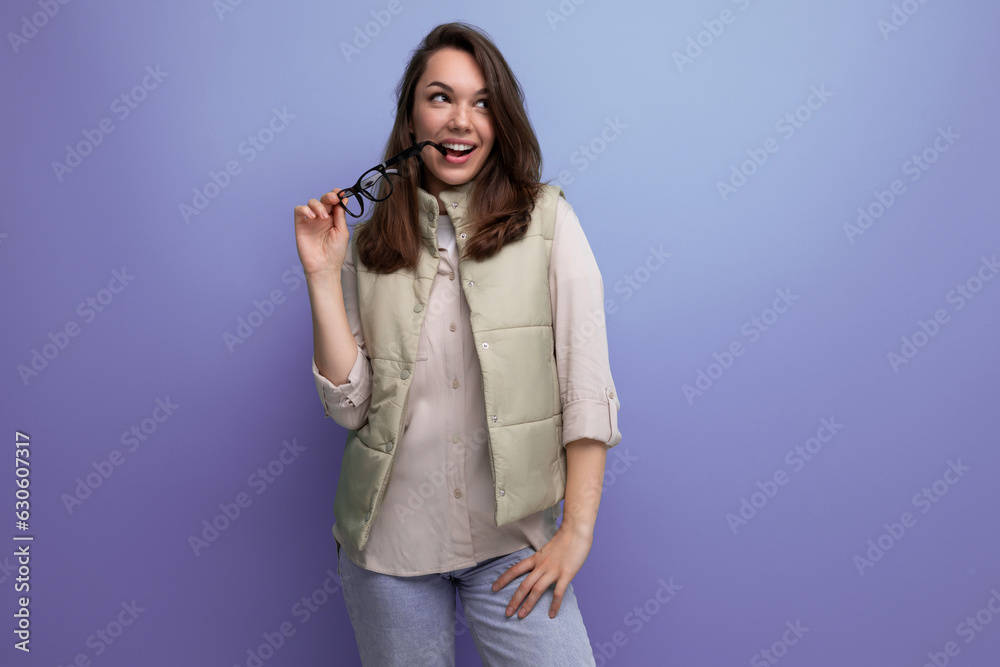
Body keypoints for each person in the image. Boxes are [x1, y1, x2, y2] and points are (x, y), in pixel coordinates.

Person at [293, 22, 622, 666]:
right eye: (440, 97)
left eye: (481, 102)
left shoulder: (547, 220)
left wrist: (576, 530)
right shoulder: (369, 243)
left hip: (511, 540)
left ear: (501, 120)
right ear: (412, 117)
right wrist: (322, 277)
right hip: (387, 549)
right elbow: (349, 408)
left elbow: (586, 384)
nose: (460, 120)